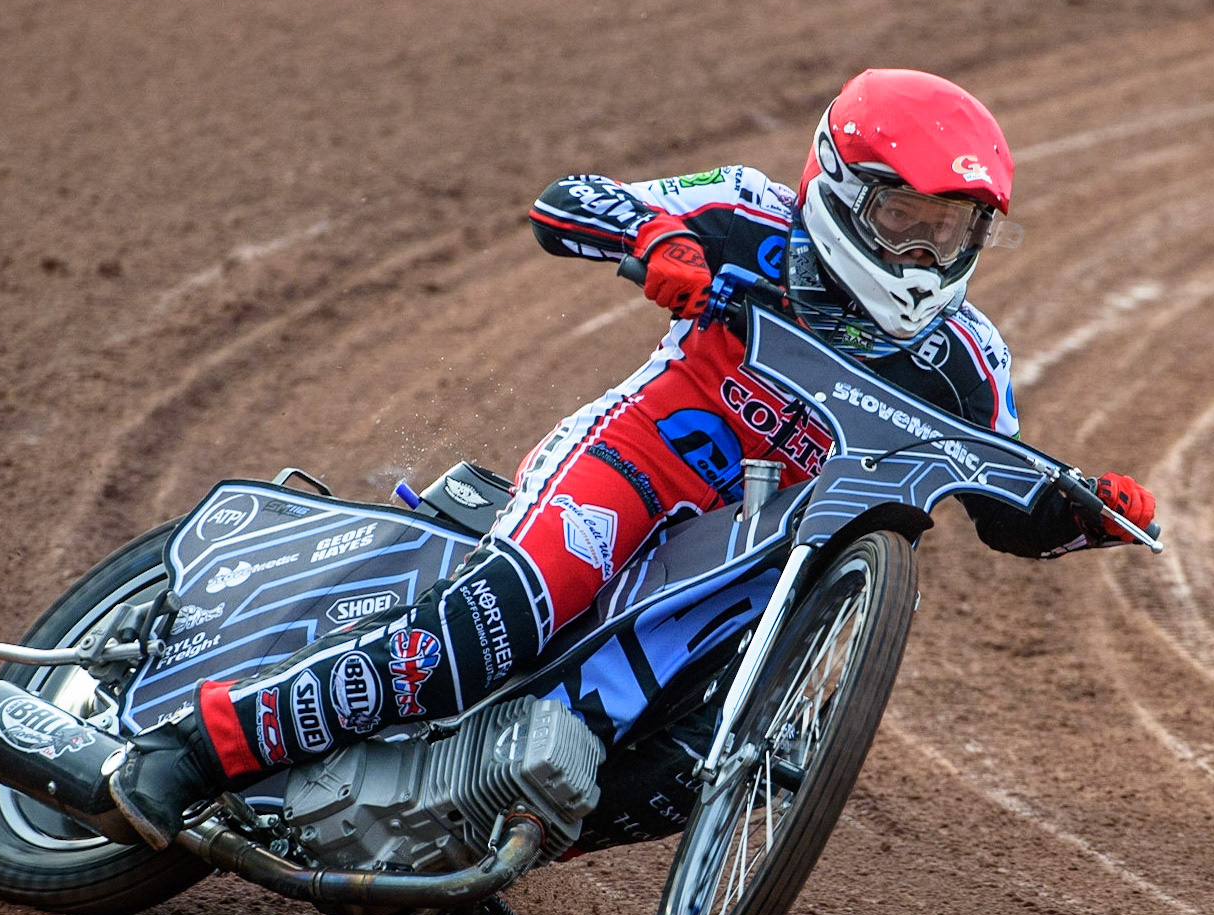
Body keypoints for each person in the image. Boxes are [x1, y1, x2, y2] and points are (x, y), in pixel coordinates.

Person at [109, 68, 1157, 851]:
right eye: (901, 218)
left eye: (952, 228)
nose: (925, 254)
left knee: (672, 774)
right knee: (502, 622)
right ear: (837, 186)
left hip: (750, 563)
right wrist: (657, 243)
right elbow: (570, 200)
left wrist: (1078, 511)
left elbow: (999, 490)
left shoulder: (968, 361)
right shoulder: (749, 212)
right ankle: (192, 751)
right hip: (634, 465)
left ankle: (461, 827)